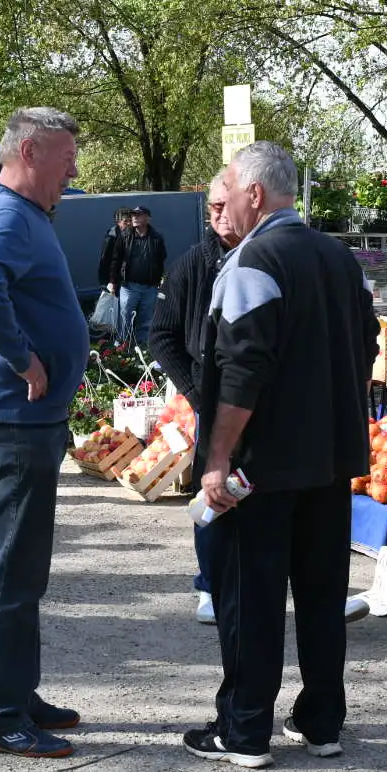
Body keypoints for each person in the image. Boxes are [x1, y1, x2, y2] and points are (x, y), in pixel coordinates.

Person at [183, 142, 374, 770]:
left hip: (261, 468)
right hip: (328, 459)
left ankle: (243, 731)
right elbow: (367, 345)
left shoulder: (251, 262)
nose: (227, 203)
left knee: (252, 597)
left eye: (231, 190)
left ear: (255, 193)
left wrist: (217, 460)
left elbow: (243, 370)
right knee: (322, 597)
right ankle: (322, 722)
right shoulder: (338, 257)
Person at [0, 107, 86, 759]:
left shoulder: (6, 209)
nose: (74, 171)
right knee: (12, 571)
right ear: (30, 152)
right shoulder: (8, 214)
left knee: (23, 569)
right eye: (66, 159)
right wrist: (24, 358)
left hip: (15, 418)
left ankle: (16, 691)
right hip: (14, 420)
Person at [149, 177, 241, 626]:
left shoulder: (267, 258)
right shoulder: (191, 264)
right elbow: (162, 336)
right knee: (213, 493)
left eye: (230, 205)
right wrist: (196, 392)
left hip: (268, 407)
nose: (223, 216)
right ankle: (209, 584)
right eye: (215, 207)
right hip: (214, 404)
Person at [116, 206, 166, 345]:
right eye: (133, 215)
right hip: (129, 286)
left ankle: (142, 348)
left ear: (147, 218)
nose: (135, 217)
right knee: (125, 317)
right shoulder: (125, 235)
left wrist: (157, 280)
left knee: (146, 319)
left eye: (139, 215)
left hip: (149, 287)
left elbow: (161, 258)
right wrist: (114, 281)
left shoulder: (157, 238)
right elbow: (116, 259)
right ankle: (122, 348)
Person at [98, 208, 131, 297]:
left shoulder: (131, 235)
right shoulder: (111, 237)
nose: (129, 224)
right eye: (125, 221)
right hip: (115, 281)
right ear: (118, 222)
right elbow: (104, 260)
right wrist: (106, 283)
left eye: (130, 221)